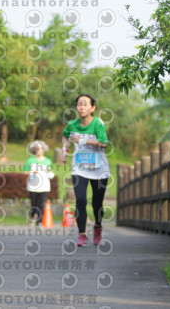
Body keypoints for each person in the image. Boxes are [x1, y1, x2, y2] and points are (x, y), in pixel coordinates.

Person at [60, 94, 110, 247]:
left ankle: (98, 226)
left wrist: (84, 140)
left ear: (92, 108)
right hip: (79, 168)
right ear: (76, 107)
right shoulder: (72, 124)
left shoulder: (97, 123)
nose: (81, 107)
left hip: (99, 169)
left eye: (85, 104)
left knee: (97, 204)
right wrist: (64, 150)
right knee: (80, 200)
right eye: (79, 104)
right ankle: (82, 234)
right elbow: (65, 136)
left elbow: (104, 143)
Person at [23, 140, 54, 226]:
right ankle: (33, 216)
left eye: (40, 148)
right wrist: (32, 172)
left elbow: (51, 174)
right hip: (33, 185)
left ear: (43, 150)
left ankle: (39, 221)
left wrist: (48, 171)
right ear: (34, 150)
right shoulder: (30, 160)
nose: (39, 150)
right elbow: (25, 172)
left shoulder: (48, 161)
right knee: (33, 203)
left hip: (44, 186)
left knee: (41, 204)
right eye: (37, 149)